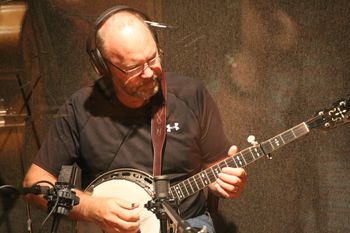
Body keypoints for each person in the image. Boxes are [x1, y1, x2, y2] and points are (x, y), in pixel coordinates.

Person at [23, 6, 247, 233]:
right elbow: (35, 184)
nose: (150, 72)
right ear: (103, 67)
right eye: (134, 67)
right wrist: (91, 208)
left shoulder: (191, 95)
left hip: (187, 223)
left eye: (152, 58)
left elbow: (216, 167)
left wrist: (227, 181)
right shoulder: (80, 109)